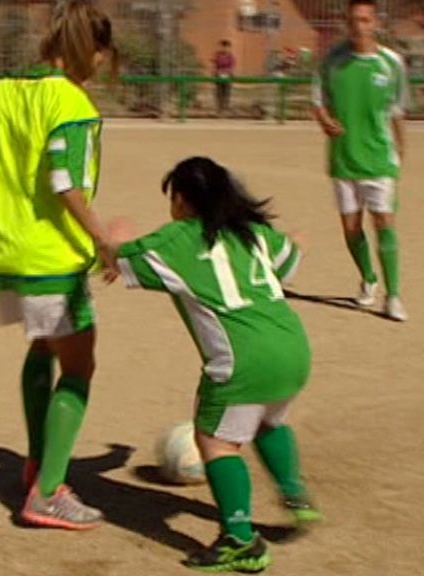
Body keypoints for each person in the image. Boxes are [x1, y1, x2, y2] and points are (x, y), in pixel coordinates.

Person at [0, 0, 118, 530]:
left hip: (2, 257)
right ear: (92, 50)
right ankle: (49, 492)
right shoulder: (72, 105)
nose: (102, 64)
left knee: (42, 347)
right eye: (103, 53)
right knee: (80, 367)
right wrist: (104, 239)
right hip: (49, 258)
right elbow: (66, 184)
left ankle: (38, 463)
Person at [113, 157, 321, 572]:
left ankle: (241, 540)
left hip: (243, 360)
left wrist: (115, 239)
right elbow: (289, 257)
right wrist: (295, 241)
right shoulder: (253, 234)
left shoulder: (175, 240)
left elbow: (118, 260)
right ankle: (296, 496)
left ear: (183, 200)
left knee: (216, 441)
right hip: (294, 349)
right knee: (267, 422)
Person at [312, 0, 411, 321]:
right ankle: (368, 278)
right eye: (354, 20)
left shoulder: (391, 63)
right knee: (352, 227)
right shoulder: (332, 61)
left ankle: (393, 296)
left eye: (366, 20)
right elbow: (317, 101)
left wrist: (400, 151)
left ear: (375, 23)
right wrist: (324, 120)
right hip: (343, 157)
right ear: (346, 22)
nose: (360, 26)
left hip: (379, 158)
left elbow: (398, 111)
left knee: (384, 222)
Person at [212, 39, 236, 116]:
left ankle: (225, 108)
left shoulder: (230, 56)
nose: (224, 48)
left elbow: (232, 66)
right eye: (223, 46)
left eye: (226, 47)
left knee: (226, 92)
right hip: (218, 76)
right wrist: (216, 72)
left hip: (227, 76)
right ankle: (219, 109)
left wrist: (228, 72)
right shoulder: (217, 55)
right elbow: (214, 65)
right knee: (219, 92)